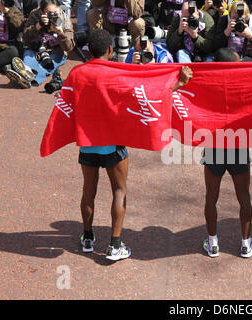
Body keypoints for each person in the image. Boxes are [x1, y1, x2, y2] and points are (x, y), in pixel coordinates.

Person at [75, 29, 193, 260]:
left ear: (89, 48)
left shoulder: (77, 73)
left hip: (87, 144)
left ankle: (87, 238)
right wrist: (179, 83)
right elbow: (149, 95)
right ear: (110, 49)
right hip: (112, 144)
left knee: (88, 192)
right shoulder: (117, 73)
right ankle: (115, 245)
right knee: (119, 190)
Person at [201, 47, 252, 259]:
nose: (241, 63)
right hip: (238, 143)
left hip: (214, 145)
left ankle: (213, 243)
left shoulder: (206, 84)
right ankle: (245, 244)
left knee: (211, 197)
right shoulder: (246, 83)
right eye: (238, 61)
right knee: (244, 196)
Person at [6, 0, 74, 88]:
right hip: (35, 49)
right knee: (28, 61)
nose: (53, 16)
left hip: (55, 51)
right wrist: (37, 26)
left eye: (56, 12)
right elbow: (25, 38)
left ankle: (27, 79)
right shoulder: (35, 15)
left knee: (48, 66)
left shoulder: (64, 18)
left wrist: (60, 33)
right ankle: (26, 75)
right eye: (49, 13)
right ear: (42, 12)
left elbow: (69, 47)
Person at [0, 0, 24, 74]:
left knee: (14, 52)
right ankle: (1, 66)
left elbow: (18, 26)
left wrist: (6, 12)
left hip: (5, 46)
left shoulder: (12, 7)